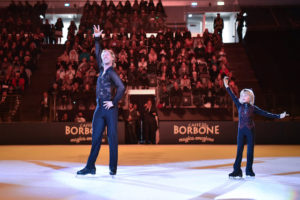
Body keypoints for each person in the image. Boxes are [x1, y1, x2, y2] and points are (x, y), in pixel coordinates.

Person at [77, 25, 125, 176]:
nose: (104, 55)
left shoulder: (111, 72)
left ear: (112, 59)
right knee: (96, 138)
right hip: (99, 108)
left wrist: (114, 101)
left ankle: (113, 168)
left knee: (112, 138)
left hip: (110, 109)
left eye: (107, 55)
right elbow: (97, 52)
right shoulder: (101, 68)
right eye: (103, 55)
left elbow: (121, 87)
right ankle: (90, 166)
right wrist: (97, 38)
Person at [223, 76, 288, 178]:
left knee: (250, 151)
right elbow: (232, 95)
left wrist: (279, 116)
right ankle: (237, 170)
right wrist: (226, 85)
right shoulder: (239, 105)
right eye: (242, 95)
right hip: (241, 131)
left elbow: (266, 113)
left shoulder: (253, 108)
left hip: (250, 131)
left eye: (246, 95)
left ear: (251, 97)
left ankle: (249, 170)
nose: (243, 96)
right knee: (239, 150)